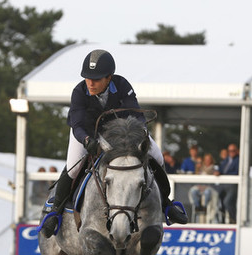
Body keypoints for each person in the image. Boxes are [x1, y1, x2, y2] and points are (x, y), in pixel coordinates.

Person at [40, 49, 187, 237]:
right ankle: (55, 212)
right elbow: (77, 124)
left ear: (109, 78)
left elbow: (136, 113)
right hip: (86, 133)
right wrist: (87, 141)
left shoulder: (122, 85)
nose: (90, 83)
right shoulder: (79, 91)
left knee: (157, 155)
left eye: (96, 79)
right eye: (87, 78)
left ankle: (167, 203)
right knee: (73, 168)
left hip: (120, 134)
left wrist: (140, 134)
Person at [217, 143, 240, 223]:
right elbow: (221, 169)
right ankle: (221, 220)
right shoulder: (226, 160)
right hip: (223, 184)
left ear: (237, 151)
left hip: (233, 184)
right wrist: (218, 172)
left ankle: (233, 220)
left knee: (228, 201)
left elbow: (237, 172)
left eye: (233, 151)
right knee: (216, 198)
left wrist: (224, 175)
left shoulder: (239, 160)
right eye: (229, 151)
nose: (231, 152)